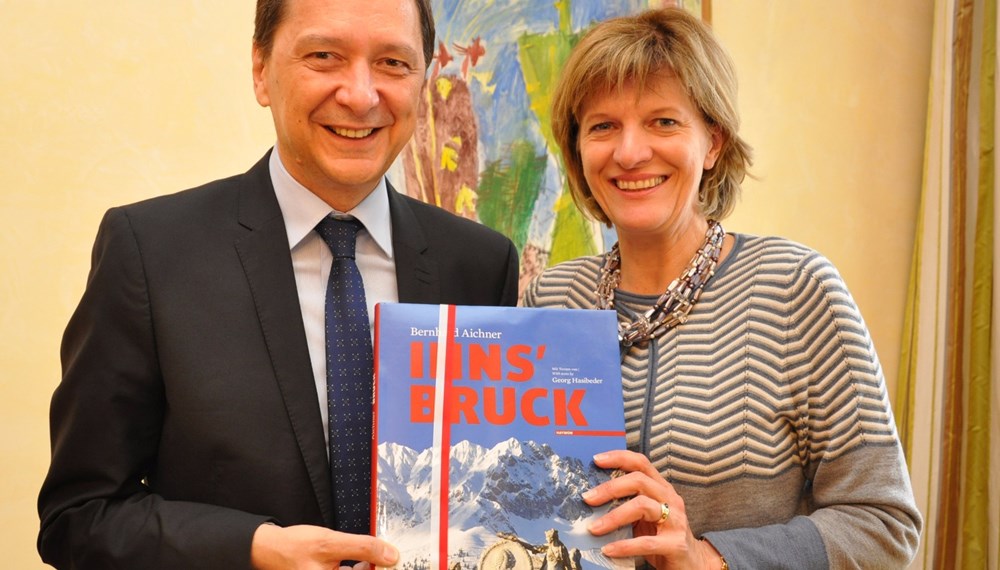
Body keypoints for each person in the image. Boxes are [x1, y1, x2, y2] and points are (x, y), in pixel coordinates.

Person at [37, 0, 519, 568]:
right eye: (324, 56)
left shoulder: (481, 264)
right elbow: (79, 516)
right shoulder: (150, 252)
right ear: (261, 69)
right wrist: (252, 547)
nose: (361, 95)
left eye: (393, 63)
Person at [521, 8, 921, 570]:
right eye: (603, 126)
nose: (630, 152)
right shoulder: (548, 300)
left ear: (713, 142)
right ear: (578, 151)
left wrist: (706, 557)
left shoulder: (795, 290)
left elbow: (884, 525)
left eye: (663, 122)